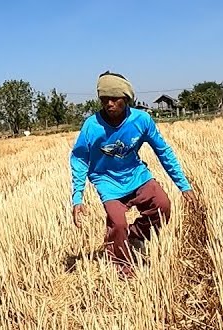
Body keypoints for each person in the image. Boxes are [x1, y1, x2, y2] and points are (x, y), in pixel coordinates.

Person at [70, 71, 196, 277]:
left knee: (163, 206)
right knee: (118, 224)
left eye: (114, 99)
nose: (109, 104)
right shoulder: (91, 126)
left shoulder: (142, 120)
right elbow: (79, 158)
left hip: (137, 174)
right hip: (107, 181)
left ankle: (136, 234)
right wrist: (77, 197)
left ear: (126, 98)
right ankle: (122, 267)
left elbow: (163, 151)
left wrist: (183, 185)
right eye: (104, 99)